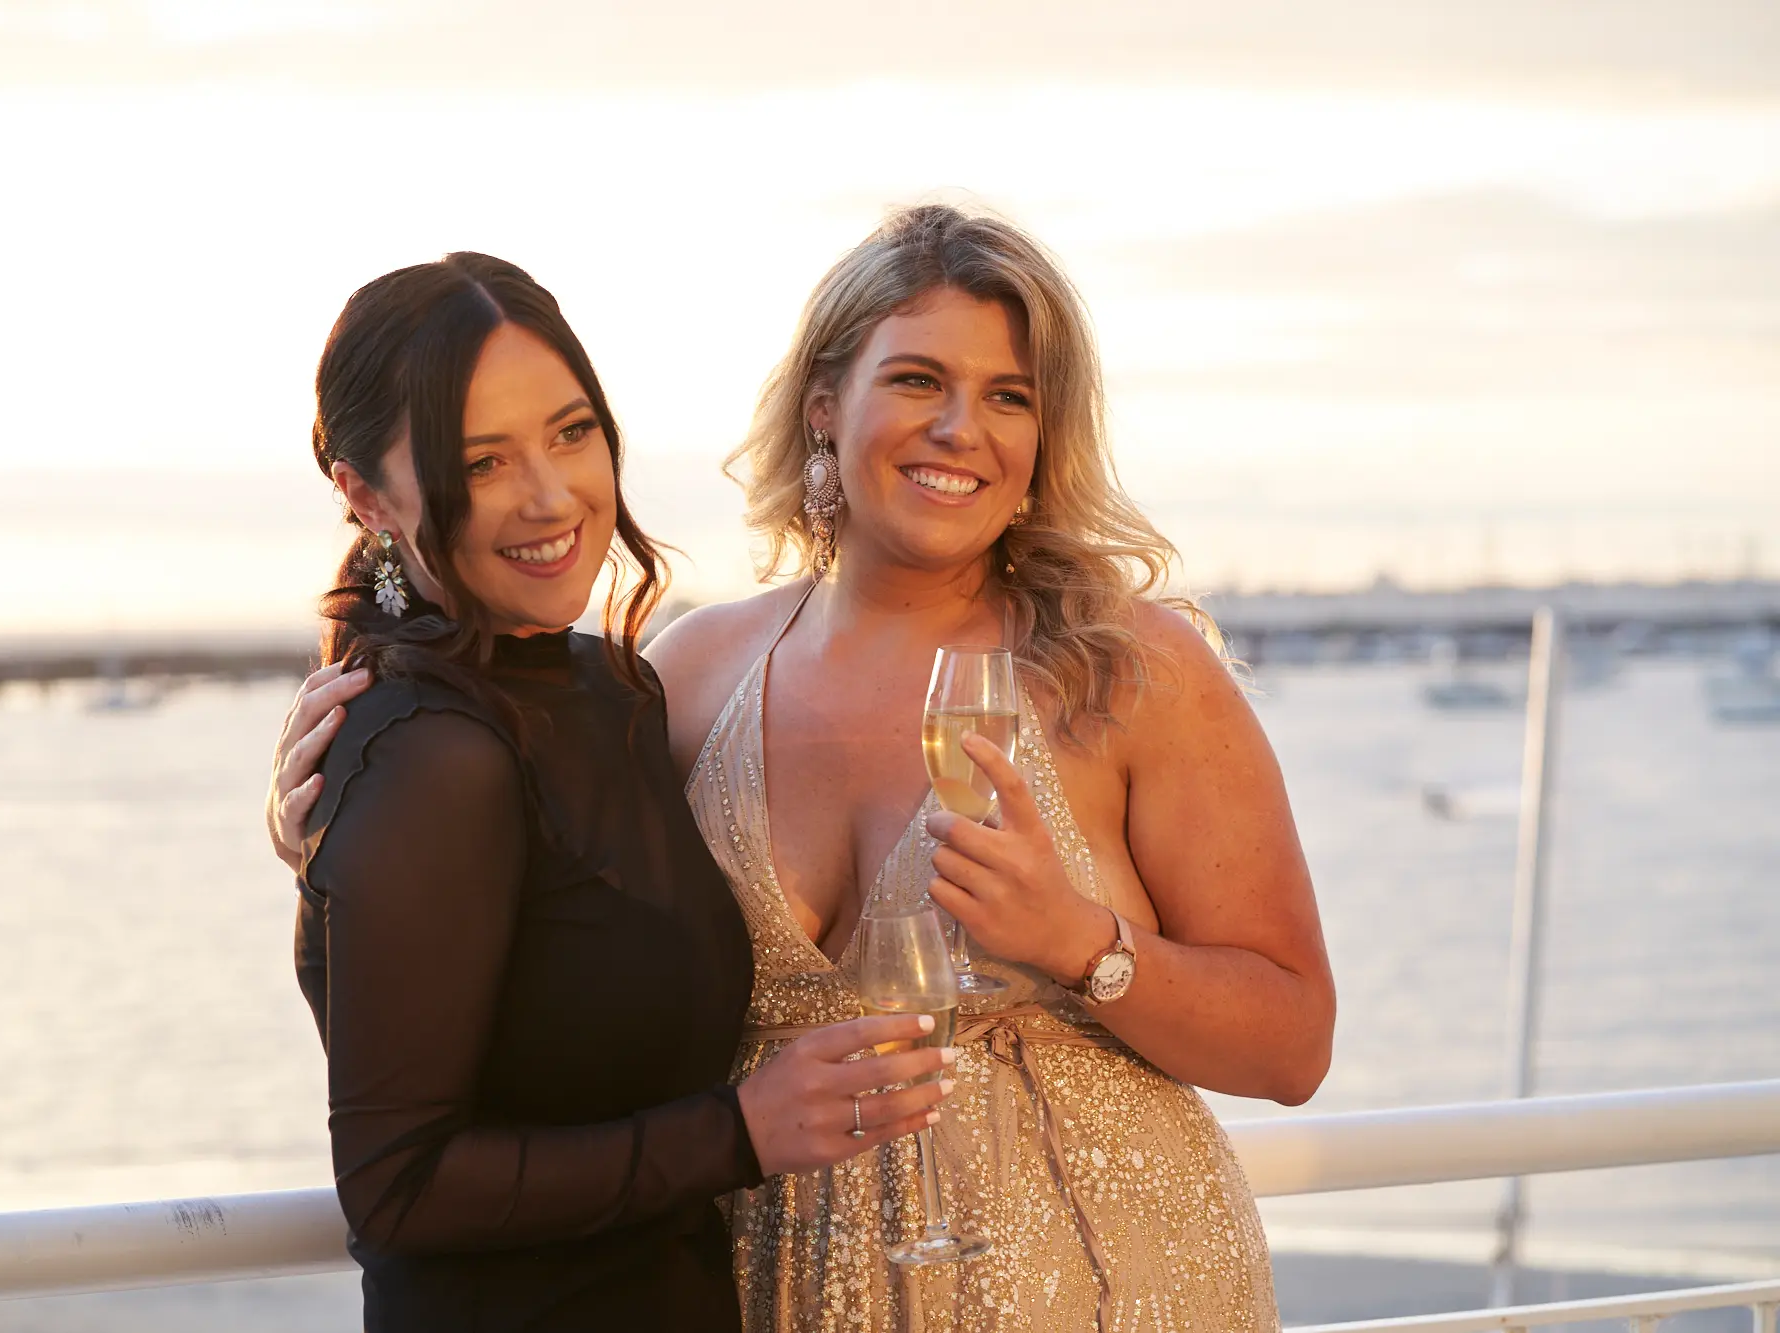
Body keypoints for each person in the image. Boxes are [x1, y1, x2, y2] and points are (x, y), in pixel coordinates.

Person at [274, 208, 1336, 1331]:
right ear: (825, 404)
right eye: (918, 380)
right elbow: (514, 947)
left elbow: (1291, 1041)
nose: (959, 429)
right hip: (778, 1291)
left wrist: (1080, 943)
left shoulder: (1129, 669)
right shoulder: (683, 679)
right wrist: (331, 844)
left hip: (1116, 1286)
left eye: (1009, 396)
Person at [285, 252, 953, 1333]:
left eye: (569, 431)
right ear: (365, 493)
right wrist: (738, 1134)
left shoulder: (610, 689)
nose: (550, 496)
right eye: (482, 460)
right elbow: (396, 1185)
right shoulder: (425, 752)